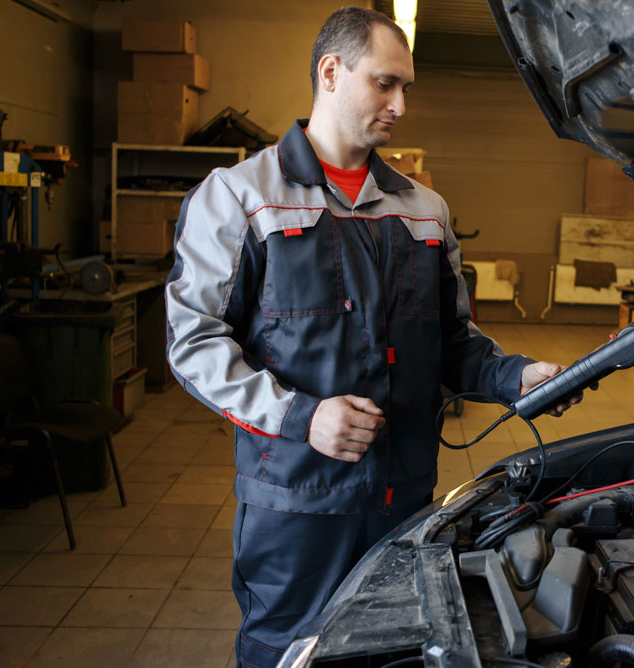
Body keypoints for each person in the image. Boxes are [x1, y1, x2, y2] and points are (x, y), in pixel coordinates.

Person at [164, 7, 582, 668]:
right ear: (331, 73)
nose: (401, 104)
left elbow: (454, 342)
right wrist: (302, 417)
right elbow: (193, 344)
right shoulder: (240, 198)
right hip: (298, 506)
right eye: (385, 84)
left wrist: (516, 377)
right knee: (290, 653)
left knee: (396, 651)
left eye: (407, 88)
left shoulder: (425, 211)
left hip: (405, 498)